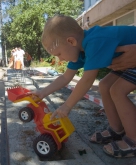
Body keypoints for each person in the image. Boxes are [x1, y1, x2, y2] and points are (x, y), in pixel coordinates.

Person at [34, 15, 136, 158]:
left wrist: (67, 106)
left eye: (59, 54)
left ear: (71, 41)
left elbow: (87, 79)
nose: (60, 59)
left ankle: (133, 140)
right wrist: (43, 92)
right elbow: (65, 77)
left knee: (117, 91)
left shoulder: (94, 41)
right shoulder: (79, 50)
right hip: (126, 64)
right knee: (104, 85)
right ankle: (116, 129)